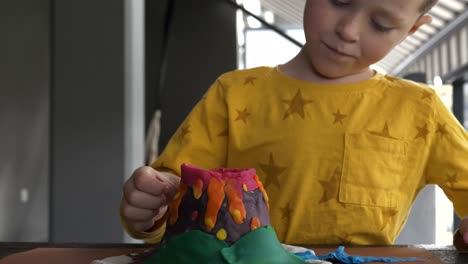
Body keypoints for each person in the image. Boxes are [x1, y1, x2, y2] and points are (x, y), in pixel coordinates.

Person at [120, 0, 468, 249]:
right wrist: (153, 204)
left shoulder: (420, 109)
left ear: (412, 29)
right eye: (339, 0)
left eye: (380, 24)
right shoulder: (234, 94)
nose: (347, 30)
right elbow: (171, 199)